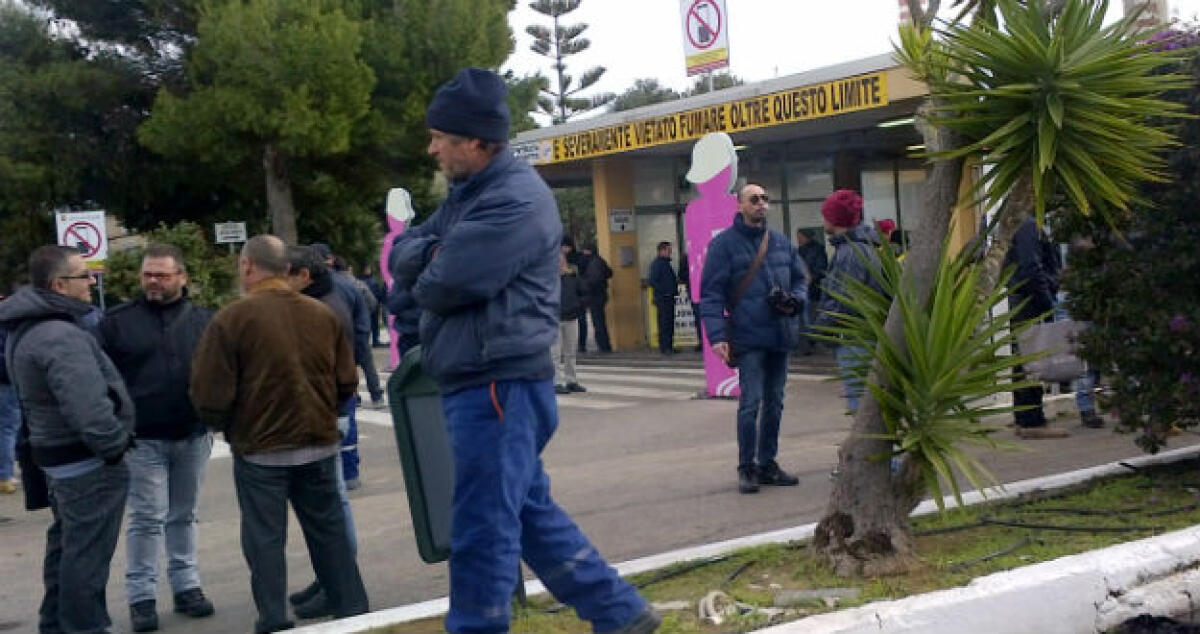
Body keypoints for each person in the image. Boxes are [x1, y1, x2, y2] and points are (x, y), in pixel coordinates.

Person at [389, 67, 658, 634]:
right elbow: (408, 253)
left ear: (477, 142)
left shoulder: (513, 199)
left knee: (482, 525)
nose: (431, 146)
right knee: (529, 514)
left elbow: (440, 284)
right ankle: (622, 614)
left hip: (499, 384)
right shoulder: (472, 194)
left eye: (441, 136)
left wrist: (428, 257)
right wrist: (429, 252)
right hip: (485, 381)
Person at [190, 235, 368, 633]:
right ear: (287, 269)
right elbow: (346, 379)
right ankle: (353, 610)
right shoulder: (321, 315)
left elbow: (209, 393)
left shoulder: (231, 320)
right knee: (330, 534)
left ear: (248, 266)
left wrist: (227, 424)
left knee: (265, 540)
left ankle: (273, 618)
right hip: (318, 442)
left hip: (261, 449)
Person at [0, 245, 135, 634]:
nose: (92, 281)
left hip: (60, 458)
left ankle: (56, 623)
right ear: (59, 284)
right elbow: (88, 408)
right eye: (84, 275)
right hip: (86, 462)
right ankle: (85, 626)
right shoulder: (58, 335)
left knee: (68, 546)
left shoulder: (30, 326)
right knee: (86, 555)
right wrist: (114, 445)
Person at [97, 244, 216, 632]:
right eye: (148, 274)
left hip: (193, 435)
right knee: (147, 518)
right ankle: (142, 597)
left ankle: (187, 586)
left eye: (162, 275)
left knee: (184, 514)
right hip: (142, 439)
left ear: (181, 277)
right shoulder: (117, 323)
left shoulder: (204, 321)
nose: (153, 281)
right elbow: (103, 381)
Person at [700, 183, 807, 495]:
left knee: (775, 403)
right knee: (750, 403)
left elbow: (801, 278)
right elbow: (710, 294)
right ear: (740, 206)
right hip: (748, 337)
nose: (761, 204)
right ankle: (746, 467)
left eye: (765, 199)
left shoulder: (780, 241)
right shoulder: (724, 245)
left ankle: (767, 464)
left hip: (780, 333)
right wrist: (717, 335)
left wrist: (797, 299)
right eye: (754, 199)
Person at [282, 245, 363, 620]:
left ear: (304, 276)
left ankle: (339, 580)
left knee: (333, 501)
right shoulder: (329, 298)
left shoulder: (322, 308)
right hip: (332, 407)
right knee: (331, 501)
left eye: (287, 274)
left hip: (329, 409)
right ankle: (330, 576)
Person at [815, 190, 884, 416]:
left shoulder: (849, 253)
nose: (822, 219)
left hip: (854, 338)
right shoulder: (868, 248)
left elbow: (842, 298)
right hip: (867, 335)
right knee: (872, 407)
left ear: (835, 219)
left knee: (861, 408)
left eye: (826, 214)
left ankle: (872, 452)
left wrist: (822, 326)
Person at [1005, 216, 1070, 439]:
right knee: (1030, 360)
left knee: (1024, 361)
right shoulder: (1028, 225)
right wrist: (1047, 299)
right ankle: (1031, 420)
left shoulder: (1021, 223)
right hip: (1028, 299)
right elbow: (1030, 267)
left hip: (1022, 298)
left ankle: (1025, 417)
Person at [553, 252, 587, 395]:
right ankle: (556, 382)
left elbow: (584, 292)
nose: (560, 264)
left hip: (572, 317)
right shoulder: (548, 280)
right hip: (554, 319)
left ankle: (571, 380)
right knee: (554, 353)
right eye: (557, 261)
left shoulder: (572, 278)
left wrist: (579, 306)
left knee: (570, 352)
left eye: (561, 261)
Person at [795, 229, 827, 355]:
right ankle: (806, 344)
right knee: (804, 318)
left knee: (810, 317)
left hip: (813, 289)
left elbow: (821, 268)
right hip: (803, 289)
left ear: (806, 237)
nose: (798, 239)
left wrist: (812, 278)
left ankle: (811, 342)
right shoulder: (799, 251)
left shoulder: (817, 250)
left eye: (800, 236)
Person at [578, 245, 613, 353]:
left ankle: (603, 346)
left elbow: (592, 281)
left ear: (588, 251)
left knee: (598, 322)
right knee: (600, 321)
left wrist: (583, 287)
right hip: (600, 295)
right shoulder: (599, 260)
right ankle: (604, 345)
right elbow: (609, 272)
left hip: (595, 296)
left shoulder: (593, 263)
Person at [649, 241, 678, 355]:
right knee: (664, 323)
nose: (670, 252)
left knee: (669, 322)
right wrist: (664, 291)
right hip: (663, 298)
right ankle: (665, 347)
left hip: (668, 297)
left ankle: (669, 345)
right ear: (662, 251)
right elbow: (653, 280)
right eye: (668, 250)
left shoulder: (665, 263)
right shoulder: (658, 264)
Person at [357, 263, 387, 348]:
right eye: (366, 269)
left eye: (369, 269)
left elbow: (378, 293)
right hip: (366, 305)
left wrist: (380, 301)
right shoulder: (361, 281)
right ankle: (367, 341)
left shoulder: (373, 280)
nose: (368, 271)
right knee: (367, 324)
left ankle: (375, 341)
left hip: (374, 305)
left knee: (375, 324)